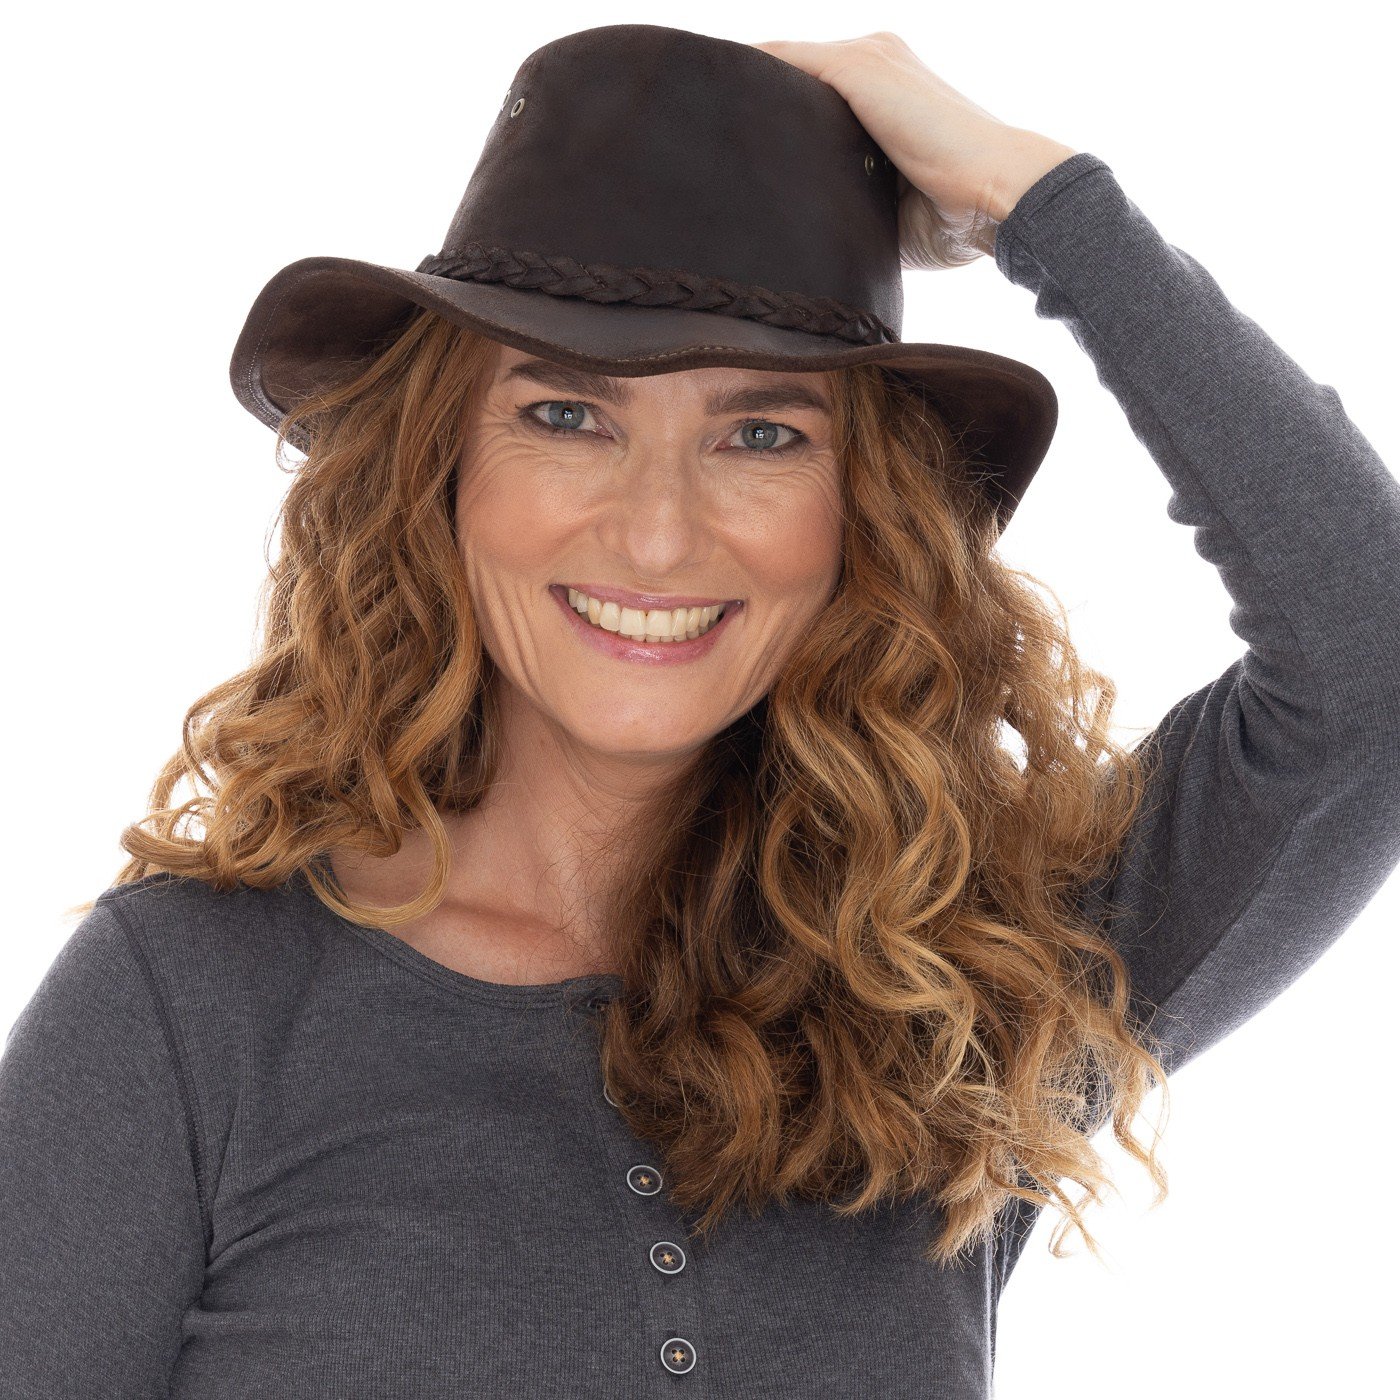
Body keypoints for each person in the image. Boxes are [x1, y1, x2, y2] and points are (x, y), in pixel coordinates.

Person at [3, 24, 1397, 1399]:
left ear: (864, 516)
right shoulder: (191, 1005)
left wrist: (1038, 201)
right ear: (438, 475)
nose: (658, 537)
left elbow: (1372, 669)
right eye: (566, 417)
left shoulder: (955, 989)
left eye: (762, 435)